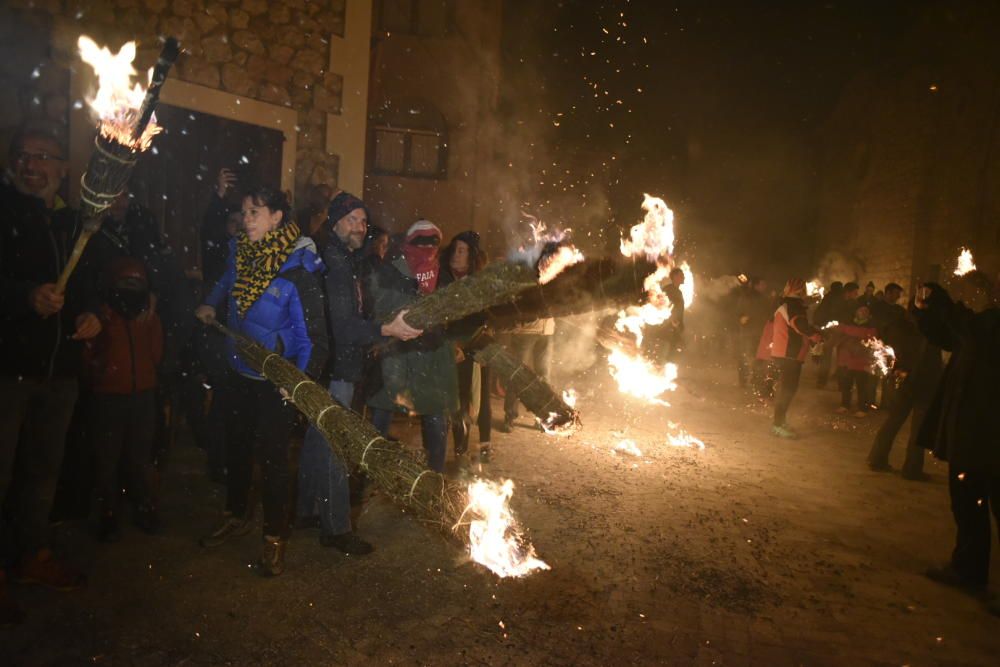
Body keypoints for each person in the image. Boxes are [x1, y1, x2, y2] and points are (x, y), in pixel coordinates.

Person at [195, 185, 328, 576]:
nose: (246, 219)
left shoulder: (298, 266)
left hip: (275, 382)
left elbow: (311, 339)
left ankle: (274, 537)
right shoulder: (242, 251)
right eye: (244, 212)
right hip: (239, 370)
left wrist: (297, 383)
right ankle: (236, 514)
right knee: (235, 448)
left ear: (276, 217)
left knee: (273, 462)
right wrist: (210, 301)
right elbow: (226, 279)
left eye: (255, 212)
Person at [1, 127, 99, 620]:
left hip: (58, 372)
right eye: (22, 155)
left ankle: (30, 556)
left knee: (41, 473)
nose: (31, 164)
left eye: (43, 156)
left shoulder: (72, 222)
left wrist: (90, 314)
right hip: (8, 370)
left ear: (63, 168)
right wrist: (24, 296)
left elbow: (85, 285)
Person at [297, 192, 418, 553]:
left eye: (364, 221)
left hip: (334, 364)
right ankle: (336, 529)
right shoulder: (334, 264)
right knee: (338, 443)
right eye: (353, 219)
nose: (361, 227)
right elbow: (343, 328)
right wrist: (386, 330)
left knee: (318, 438)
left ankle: (305, 510)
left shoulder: (345, 259)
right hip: (337, 367)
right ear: (335, 221)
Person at [913, 275, 1000, 615]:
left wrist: (945, 303)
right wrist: (925, 312)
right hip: (973, 436)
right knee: (967, 503)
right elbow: (948, 336)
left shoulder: (989, 327)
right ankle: (968, 570)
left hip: (992, 435)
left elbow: (974, 332)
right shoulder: (980, 325)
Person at [367, 220, 458, 473]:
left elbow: (451, 314)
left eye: (433, 242)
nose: (427, 247)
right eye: (421, 241)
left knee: (436, 421)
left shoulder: (443, 275)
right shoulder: (391, 272)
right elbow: (380, 308)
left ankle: (434, 479)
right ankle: (372, 474)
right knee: (381, 420)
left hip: (432, 357)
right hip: (396, 356)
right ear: (408, 242)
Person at [82, 257, 163, 541]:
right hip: (110, 396)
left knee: (139, 457)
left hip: (141, 394)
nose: (131, 287)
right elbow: (89, 355)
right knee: (108, 457)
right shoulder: (102, 316)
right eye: (126, 281)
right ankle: (109, 511)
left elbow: (156, 353)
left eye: (136, 282)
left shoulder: (147, 316)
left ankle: (143, 506)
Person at [866, 306, 942, 478]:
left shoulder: (897, 327)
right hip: (922, 382)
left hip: (902, 380)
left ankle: (877, 459)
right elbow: (927, 359)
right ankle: (912, 469)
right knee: (918, 428)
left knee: (894, 420)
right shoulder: (928, 330)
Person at [439, 231, 493, 460]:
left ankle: (484, 447)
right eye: (455, 249)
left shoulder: (479, 284)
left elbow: (485, 318)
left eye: (462, 251)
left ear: (471, 256)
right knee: (457, 402)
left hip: (477, 347)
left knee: (479, 399)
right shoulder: (443, 280)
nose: (456, 255)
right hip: (453, 350)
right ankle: (460, 451)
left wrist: (469, 344)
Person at [769, 279, 822, 438]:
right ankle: (778, 425)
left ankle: (780, 422)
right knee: (787, 390)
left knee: (789, 389)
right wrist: (814, 334)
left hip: (789, 353)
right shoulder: (793, 305)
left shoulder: (790, 304)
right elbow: (798, 324)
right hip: (789, 354)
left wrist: (814, 333)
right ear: (799, 291)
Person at [830, 305, 878, 417]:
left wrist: (847, 330)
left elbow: (870, 335)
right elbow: (838, 333)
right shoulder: (848, 321)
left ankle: (862, 408)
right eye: (861, 310)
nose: (863, 312)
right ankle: (845, 405)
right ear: (856, 311)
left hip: (862, 361)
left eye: (866, 311)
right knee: (846, 385)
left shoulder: (871, 326)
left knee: (862, 386)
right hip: (847, 360)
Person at [734, 276, 770, 390]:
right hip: (748, 332)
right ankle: (744, 379)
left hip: (758, 331)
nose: (765, 286)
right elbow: (739, 313)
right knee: (745, 355)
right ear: (756, 285)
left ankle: (754, 378)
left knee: (757, 356)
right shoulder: (746, 297)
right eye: (763, 284)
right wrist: (743, 319)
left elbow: (766, 314)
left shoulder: (764, 298)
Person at [812, 281, 844, 388]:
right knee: (835, 356)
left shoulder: (827, 298)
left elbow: (819, 313)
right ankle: (838, 382)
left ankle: (822, 381)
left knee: (827, 357)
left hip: (828, 330)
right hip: (834, 330)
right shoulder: (838, 299)